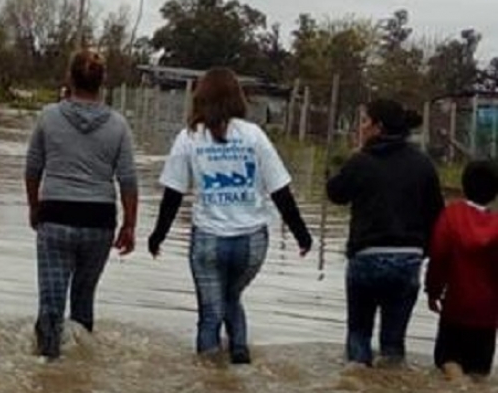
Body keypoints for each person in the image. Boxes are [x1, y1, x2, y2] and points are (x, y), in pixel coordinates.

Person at [149, 67, 312, 365]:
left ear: (200, 98)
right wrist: (302, 234)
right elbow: (281, 191)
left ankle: (208, 385)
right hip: (252, 244)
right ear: (238, 97)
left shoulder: (189, 138)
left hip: (209, 242)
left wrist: (157, 235)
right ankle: (240, 360)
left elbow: (173, 195)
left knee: (210, 315)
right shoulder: (254, 136)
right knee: (231, 299)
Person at [25, 49, 138, 359]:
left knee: (51, 302)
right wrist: (129, 225)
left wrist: (34, 207)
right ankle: (82, 370)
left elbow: (33, 168)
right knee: (84, 299)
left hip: (56, 215)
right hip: (99, 221)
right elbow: (128, 180)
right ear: (103, 84)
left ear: (69, 79)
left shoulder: (49, 116)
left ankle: (47, 362)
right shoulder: (118, 125)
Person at [327, 98, 444, 366]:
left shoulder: (361, 161)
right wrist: (423, 254)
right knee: (393, 344)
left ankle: (357, 391)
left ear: (378, 127)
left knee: (358, 334)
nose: (361, 127)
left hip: (366, 257)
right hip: (408, 261)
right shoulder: (423, 164)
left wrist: (354, 155)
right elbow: (437, 216)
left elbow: (335, 193)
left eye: (365, 121)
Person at [425, 160, 498, 378]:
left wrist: (433, 291)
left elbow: (438, 256)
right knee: (478, 372)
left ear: (464, 186)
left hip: (456, 309)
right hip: (487, 315)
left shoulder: (451, 217)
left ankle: (457, 389)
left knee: (448, 360)